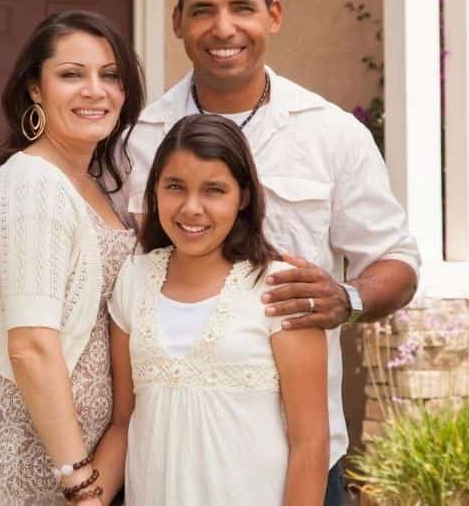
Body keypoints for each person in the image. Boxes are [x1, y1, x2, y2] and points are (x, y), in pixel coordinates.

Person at [106, 0, 423, 503]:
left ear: (273, 15)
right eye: (203, 10)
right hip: (169, 458)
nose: (223, 28)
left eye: (242, 8)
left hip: (305, 453)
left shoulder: (330, 134)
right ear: (178, 22)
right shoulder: (139, 140)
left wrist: (347, 298)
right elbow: (107, 276)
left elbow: (397, 261)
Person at [0, 10, 146, 505]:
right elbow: (31, 348)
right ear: (35, 89)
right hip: (31, 463)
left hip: (84, 464)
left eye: (110, 75)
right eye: (71, 74)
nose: (95, 91)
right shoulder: (32, 182)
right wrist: (79, 482)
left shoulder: (95, 184)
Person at [100, 114, 331, 504]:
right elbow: (123, 424)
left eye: (214, 190)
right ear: (154, 190)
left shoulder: (281, 289)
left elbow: (310, 443)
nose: (192, 208)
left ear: (243, 197)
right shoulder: (133, 280)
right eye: (175, 187)